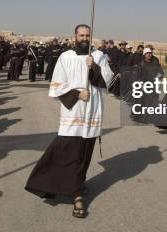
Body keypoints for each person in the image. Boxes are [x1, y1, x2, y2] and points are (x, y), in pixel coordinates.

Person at [25, 24, 113, 218]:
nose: (84, 38)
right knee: (67, 151)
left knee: (84, 153)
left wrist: (95, 68)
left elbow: (109, 82)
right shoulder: (66, 57)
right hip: (72, 112)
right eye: (81, 35)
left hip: (92, 112)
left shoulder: (99, 56)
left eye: (87, 35)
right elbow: (56, 85)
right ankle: (76, 194)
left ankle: (77, 184)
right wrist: (75, 94)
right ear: (75, 36)